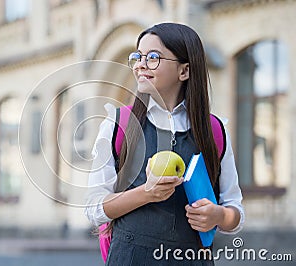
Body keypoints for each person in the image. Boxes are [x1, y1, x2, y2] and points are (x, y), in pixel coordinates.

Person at [85, 22, 244, 265]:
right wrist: (146, 193)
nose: (140, 64)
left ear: (184, 71)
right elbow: (94, 208)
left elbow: (235, 212)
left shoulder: (215, 131)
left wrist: (219, 215)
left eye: (152, 57)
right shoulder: (118, 124)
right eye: (137, 56)